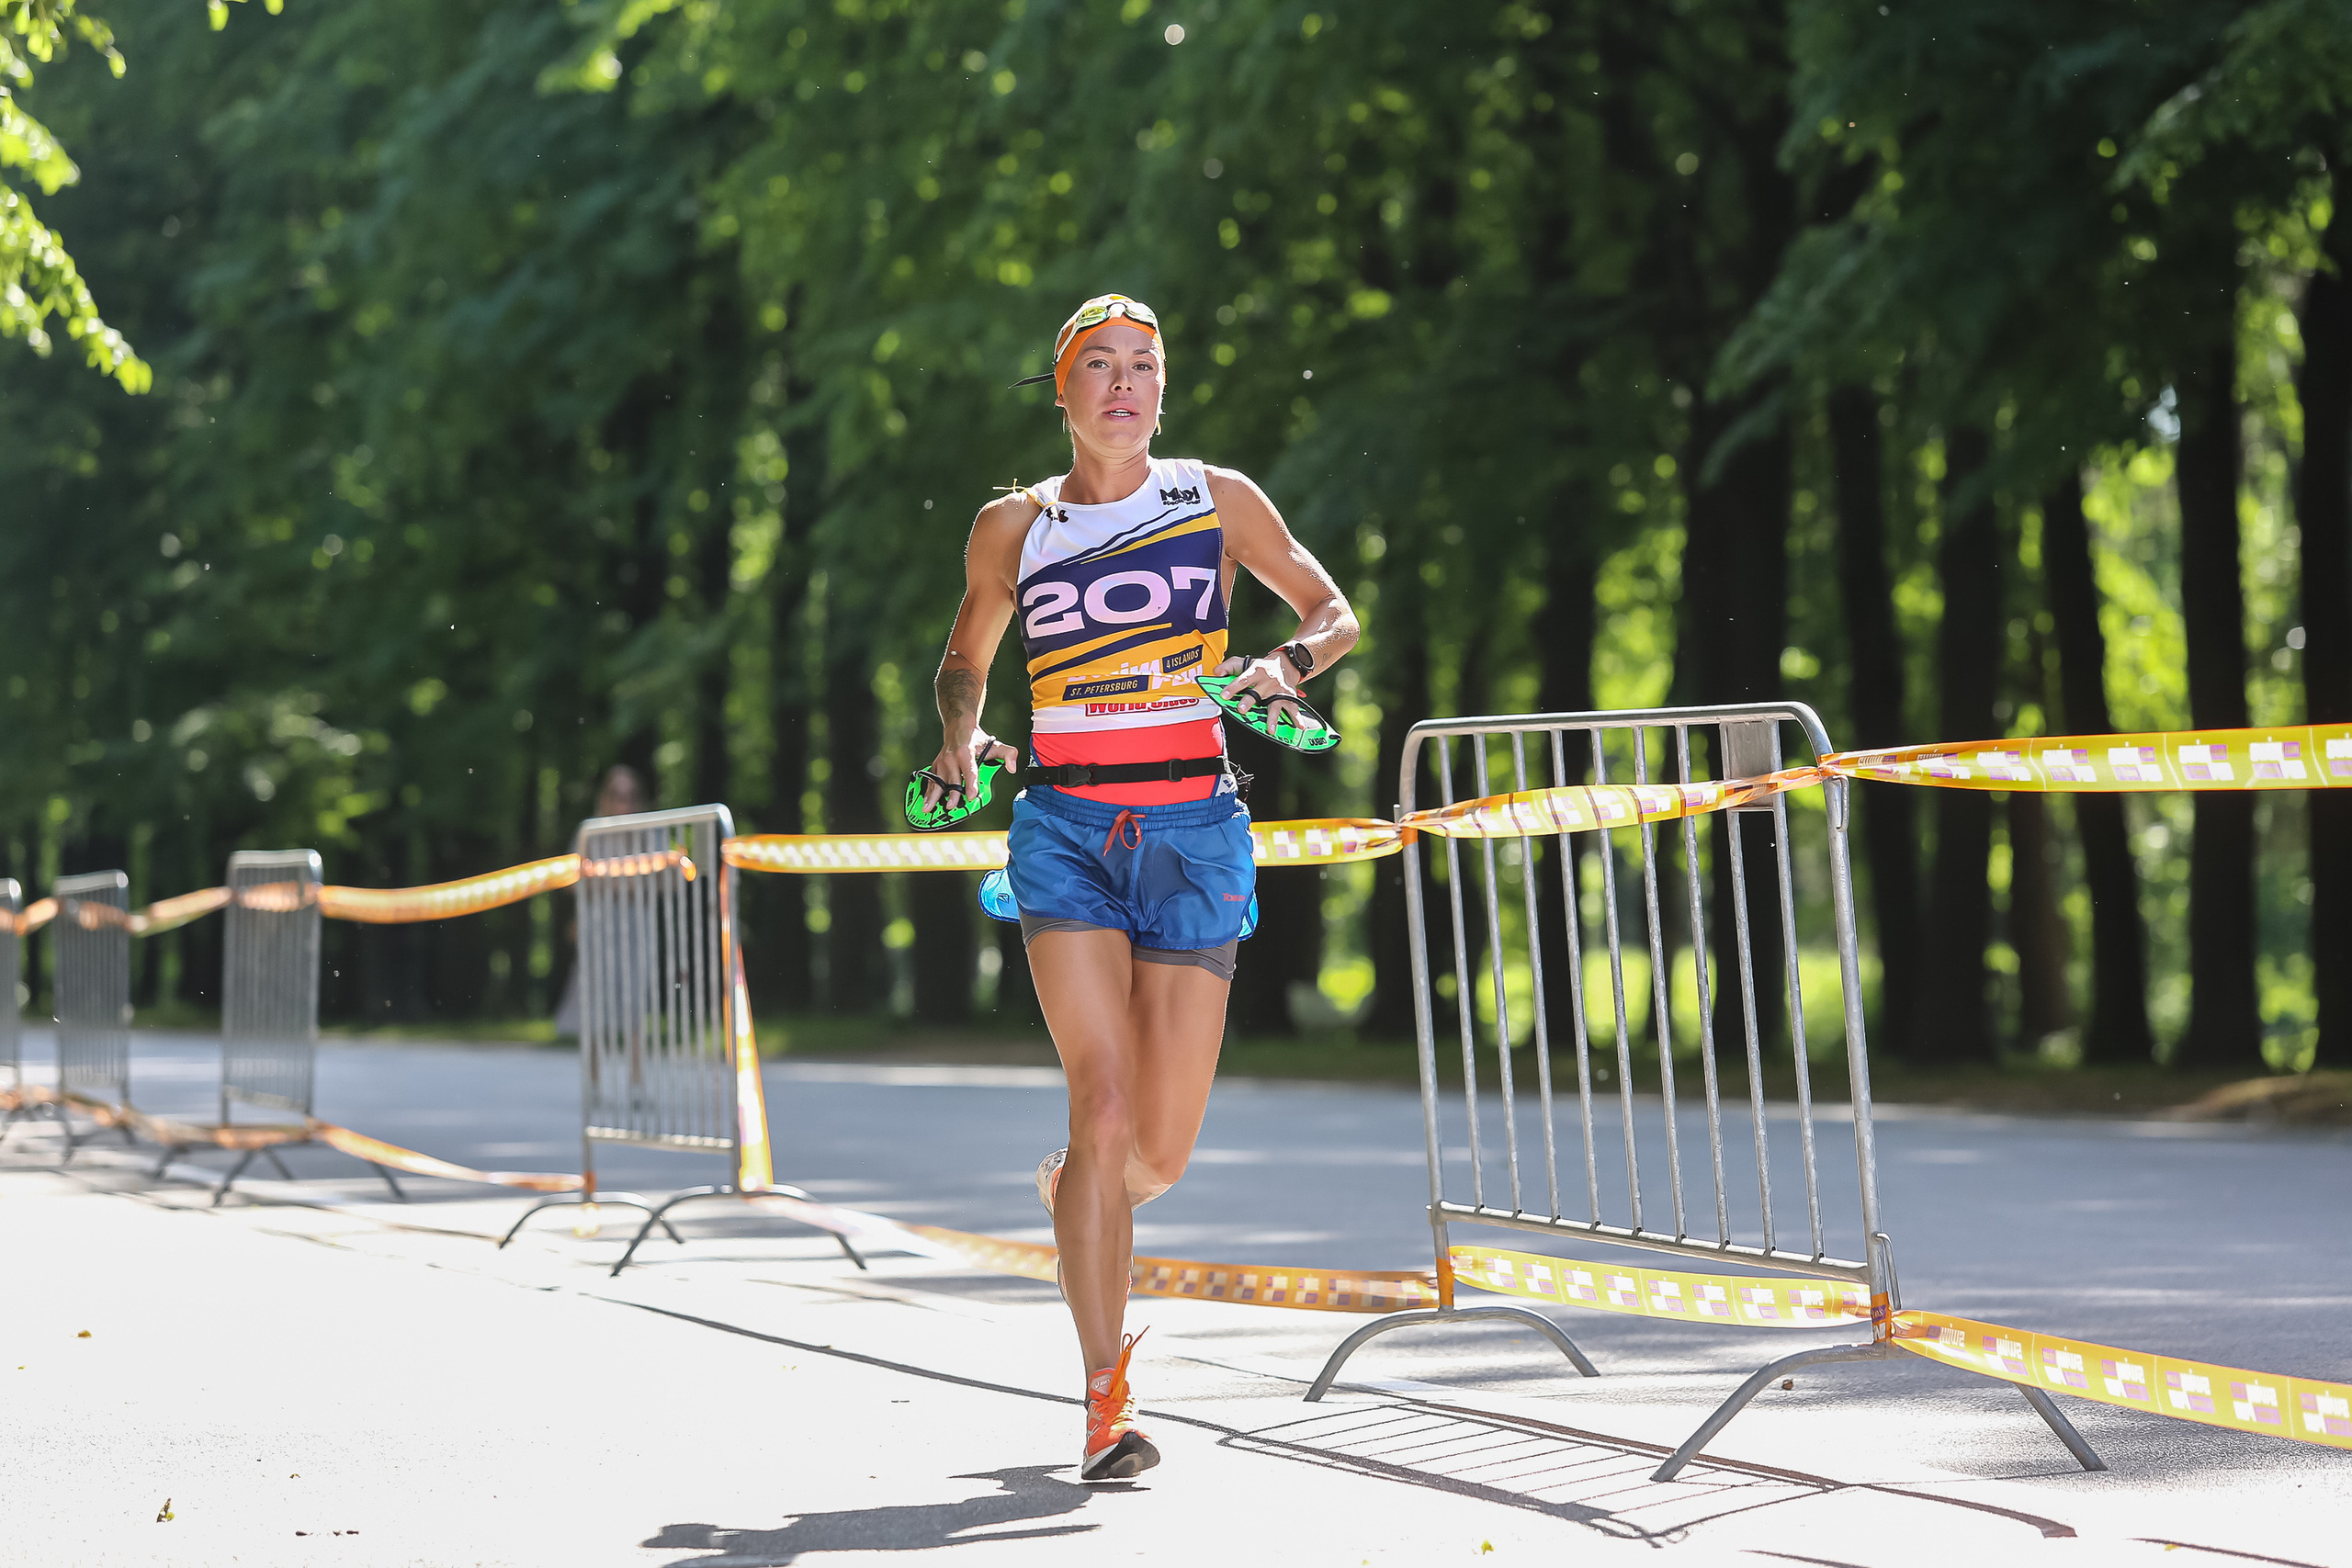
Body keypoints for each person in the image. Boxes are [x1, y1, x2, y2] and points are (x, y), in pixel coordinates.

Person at [921, 294, 1358, 1481]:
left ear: (1163, 389)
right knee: (1101, 1106)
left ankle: (1083, 1191)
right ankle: (1104, 1397)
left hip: (1195, 832)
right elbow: (965, 660)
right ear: (1060, 392)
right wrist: (961, 735)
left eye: (1144, 367)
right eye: (1100, 366)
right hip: (1064, 832)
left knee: (1149, 1156)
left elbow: (1334, 610)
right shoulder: (1016, 527)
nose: (1125, 384)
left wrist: (1284, 660)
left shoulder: (1217, 499)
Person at [552, 764, 650, 1039]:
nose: (624, 802)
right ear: (605, 796)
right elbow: (571, 880)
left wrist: (604, 880)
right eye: (617, 795)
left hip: (635, 927)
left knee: (634, 992)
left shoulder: (647, 832)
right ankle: (593, 1068)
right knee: (593, 990)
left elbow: (660, 882)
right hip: (598, 924)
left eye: (630, 796)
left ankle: (636, 1073)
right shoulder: (589, 832)